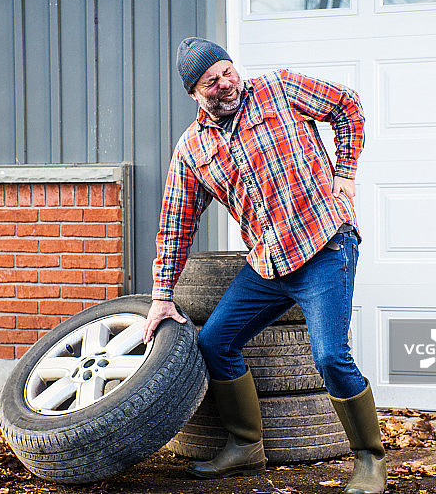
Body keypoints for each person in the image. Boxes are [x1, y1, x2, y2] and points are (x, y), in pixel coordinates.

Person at [142, 37, 386, 494]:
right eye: (210, 81)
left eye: (228, 72)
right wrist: (162, 296)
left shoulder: (281, 88)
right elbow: (175, 224)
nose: (225, 84)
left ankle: (370, 459)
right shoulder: (193, 148)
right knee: (214, 343)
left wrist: (345, 173)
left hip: (324, 244)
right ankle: (245, 446)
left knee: (331, 355)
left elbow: (348, 107)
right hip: (269, 263)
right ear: (195, 94)